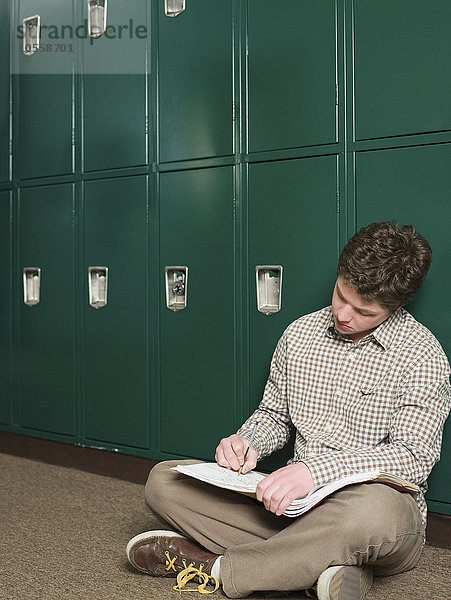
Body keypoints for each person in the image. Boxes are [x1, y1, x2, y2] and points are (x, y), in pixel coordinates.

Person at [126, 222, 451, 600]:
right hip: (289, 506)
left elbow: (413, 458)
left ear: (395, 306)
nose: (344, 315)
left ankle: (214, 567)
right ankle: (321, 569)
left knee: (371, 513)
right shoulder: (299, 335)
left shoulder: (423, 357)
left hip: (371, 510)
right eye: (340, 295)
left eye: (363, 311)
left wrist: (315, 472)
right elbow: (273, 416)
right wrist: (246, 442)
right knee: (164, 482)